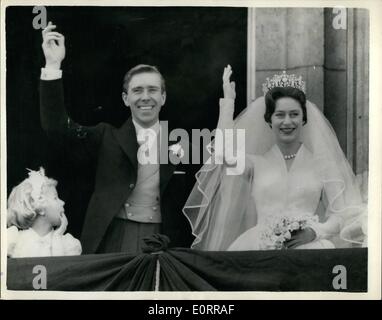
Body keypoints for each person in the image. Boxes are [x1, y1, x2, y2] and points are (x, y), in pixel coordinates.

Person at [39, 22, 196, 254]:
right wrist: (53, 64)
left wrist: (227, 106)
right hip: (113, 238)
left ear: (163, 97)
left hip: (164, 241)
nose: (145, 97)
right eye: (137, 90)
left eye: (152, 90)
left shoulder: (183, 144)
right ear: (125, 98)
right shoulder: (106, 136)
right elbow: (57, 128)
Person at [183, 65, 365, 251]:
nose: (287, 122)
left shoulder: (322, 164)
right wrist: (228, 103)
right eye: (280, 115)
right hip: (258, 245)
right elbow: (222, 154)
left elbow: (340, 215)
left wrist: (315, 231)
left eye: (294, 114)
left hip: (309, 246)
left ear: (303, 119)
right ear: (270, 120)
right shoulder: (255, 164)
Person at [7, 168, 82, 258]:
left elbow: (61, 269)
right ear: (40, 208)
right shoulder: (14, 240)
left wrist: (57, 236)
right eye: (55, 198)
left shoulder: (68, 243)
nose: (63, 202)